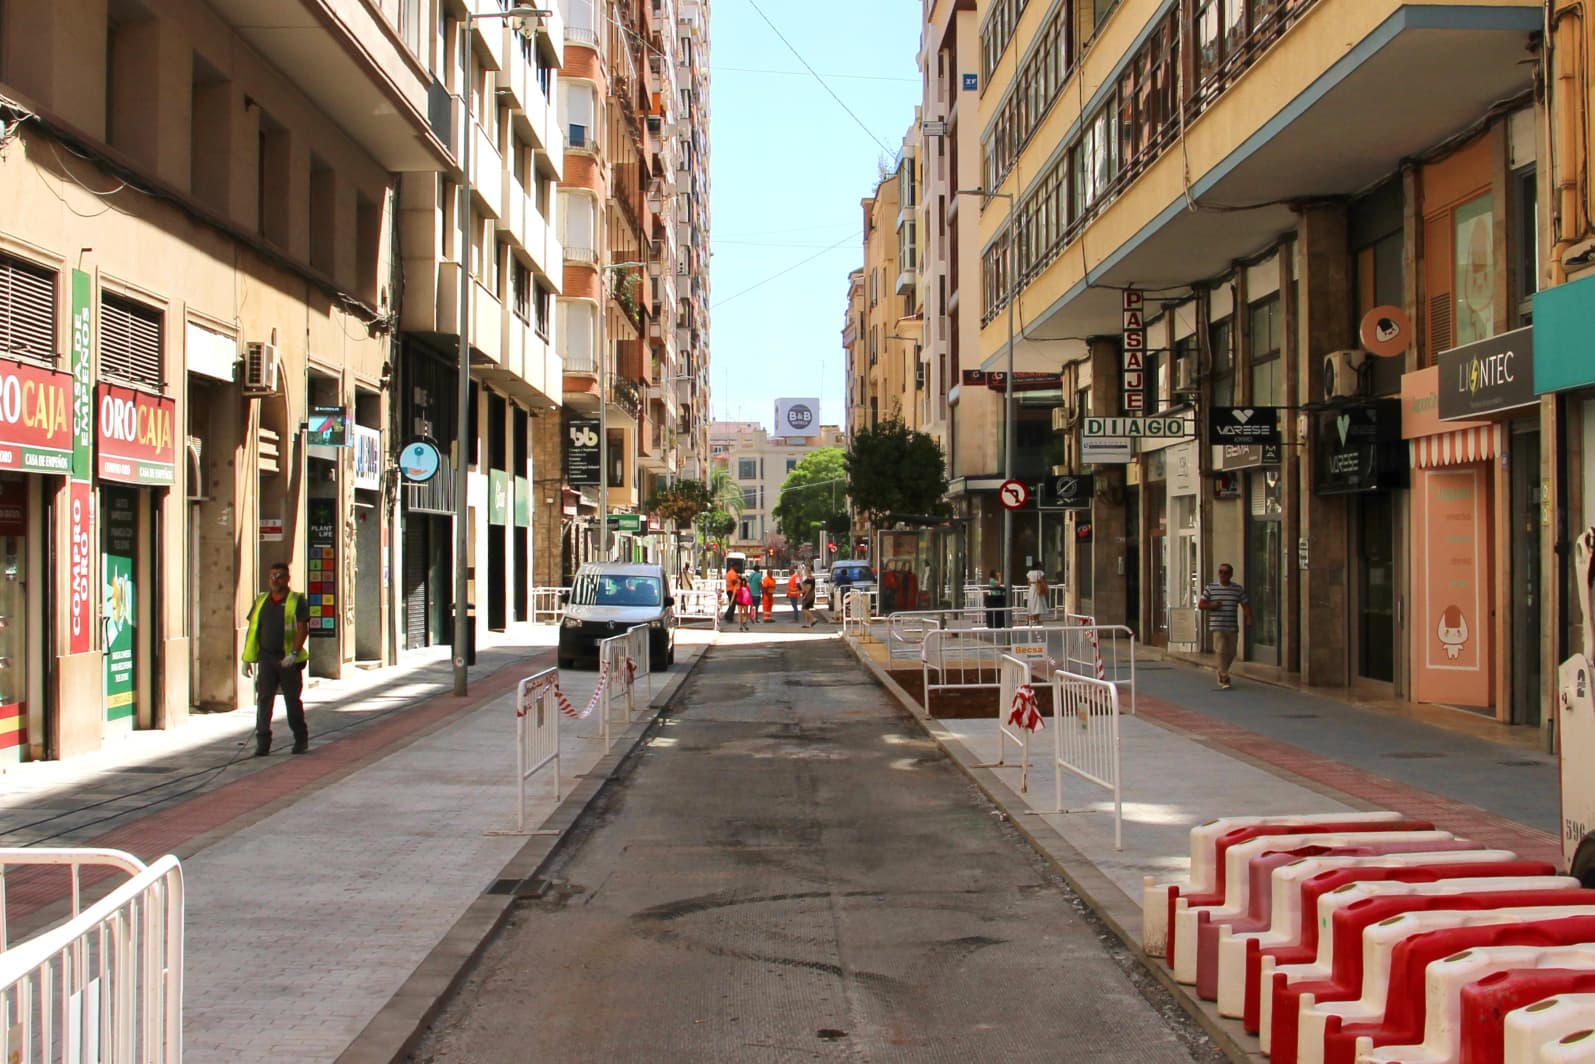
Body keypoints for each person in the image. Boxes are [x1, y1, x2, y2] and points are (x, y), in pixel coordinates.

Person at [241, 561, 311, 756]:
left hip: (287, 660)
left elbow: (302, 628)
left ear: (287, 578)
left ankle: (300, 739)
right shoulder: (261, 600)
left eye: (279, 576)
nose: (275, 580)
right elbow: (253, 630)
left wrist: (294, 654)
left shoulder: (296, 600)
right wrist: (247, 658)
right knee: (264, 699)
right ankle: (262, 743)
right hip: (266, 658)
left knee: (292, 700)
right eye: (272, 576)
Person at [1198, 562, 1253, 689]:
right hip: (1218, 625)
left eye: (1225, 572)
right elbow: (1201, 605)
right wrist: (1212, 605)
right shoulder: (1211, 588)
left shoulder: (1237, 589)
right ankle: (1224, 678)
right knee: (1221, 651)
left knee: (1231, 652)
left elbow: (1245, 605)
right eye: (1220, 572)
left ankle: (1222, 671)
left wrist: (1249, 618)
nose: (1223, 574)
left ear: (1231, 574)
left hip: (1232, 625)